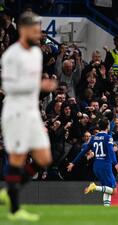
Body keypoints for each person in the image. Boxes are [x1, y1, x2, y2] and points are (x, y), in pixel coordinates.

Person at [0, 12, 57, 221]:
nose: (39, 33)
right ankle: (14, 209)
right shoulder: (11, 55)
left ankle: (9, 191)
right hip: (14, 110)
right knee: (17, 158)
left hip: (31, 111)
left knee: (44, 159)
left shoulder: (35, 54)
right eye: (35, 29)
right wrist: (38, 85)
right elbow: (9, 86)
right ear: (23, 30)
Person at [67, 118, 118, 207]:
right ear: (108, 126)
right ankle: (94, 187)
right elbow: (111, 151)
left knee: (106, 188)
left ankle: (106, 208)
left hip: (96, 166)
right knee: (114, 191)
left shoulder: (94, 138)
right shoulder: (108, 137)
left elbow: (83, 151)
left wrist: (73, 162)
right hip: (105, 166)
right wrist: (115, 163)